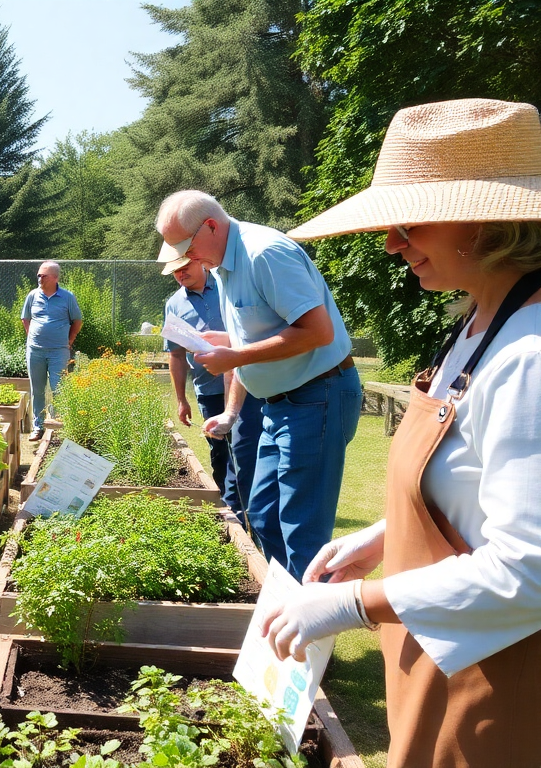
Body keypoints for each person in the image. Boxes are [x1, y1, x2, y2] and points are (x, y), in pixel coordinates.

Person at [261, 98, 541, 766]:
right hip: (443, 656)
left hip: (493, 684)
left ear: (483, 221)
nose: (391, 244)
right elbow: (470, 484)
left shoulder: (530, 354)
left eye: (409, 223)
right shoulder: (479, 324)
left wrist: (354, 604)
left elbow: (528, 569)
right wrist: (385, 536)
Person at [155, 190, 361, 581]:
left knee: (302, 530)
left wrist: (235, 355)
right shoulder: (224, 267)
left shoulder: (264, 253)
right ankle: (292, 603)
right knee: (264, 515)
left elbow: (318, 331)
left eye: (186, 248)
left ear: (211, 226)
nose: (185, 259)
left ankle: (310, 617)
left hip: (317, 395)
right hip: (278, 405)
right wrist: (231, 404)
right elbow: (258, 339)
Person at [161, 254, 262, 515]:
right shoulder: (173, 305)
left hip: (246, 384)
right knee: (220, 452)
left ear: (200, 262)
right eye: (175, 271)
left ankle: (249, 510)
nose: (180, 274)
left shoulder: (226, 286)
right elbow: (176, 355)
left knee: (246, 448)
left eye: (185, 266)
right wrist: (181, 400)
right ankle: (229, 511)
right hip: (209, 390)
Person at [21, 261, 83, 440]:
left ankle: (57, 426)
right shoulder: (32, 295)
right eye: (38, 275)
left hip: (58, 352)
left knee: (59, 388)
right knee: (37, 389)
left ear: (55, 278)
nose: (40, 279)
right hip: (35, 351)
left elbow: (77, 321)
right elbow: (25, 318)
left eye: (44, 276)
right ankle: (38, 426)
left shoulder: (67, 297)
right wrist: (32, 337)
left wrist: (69, 340)